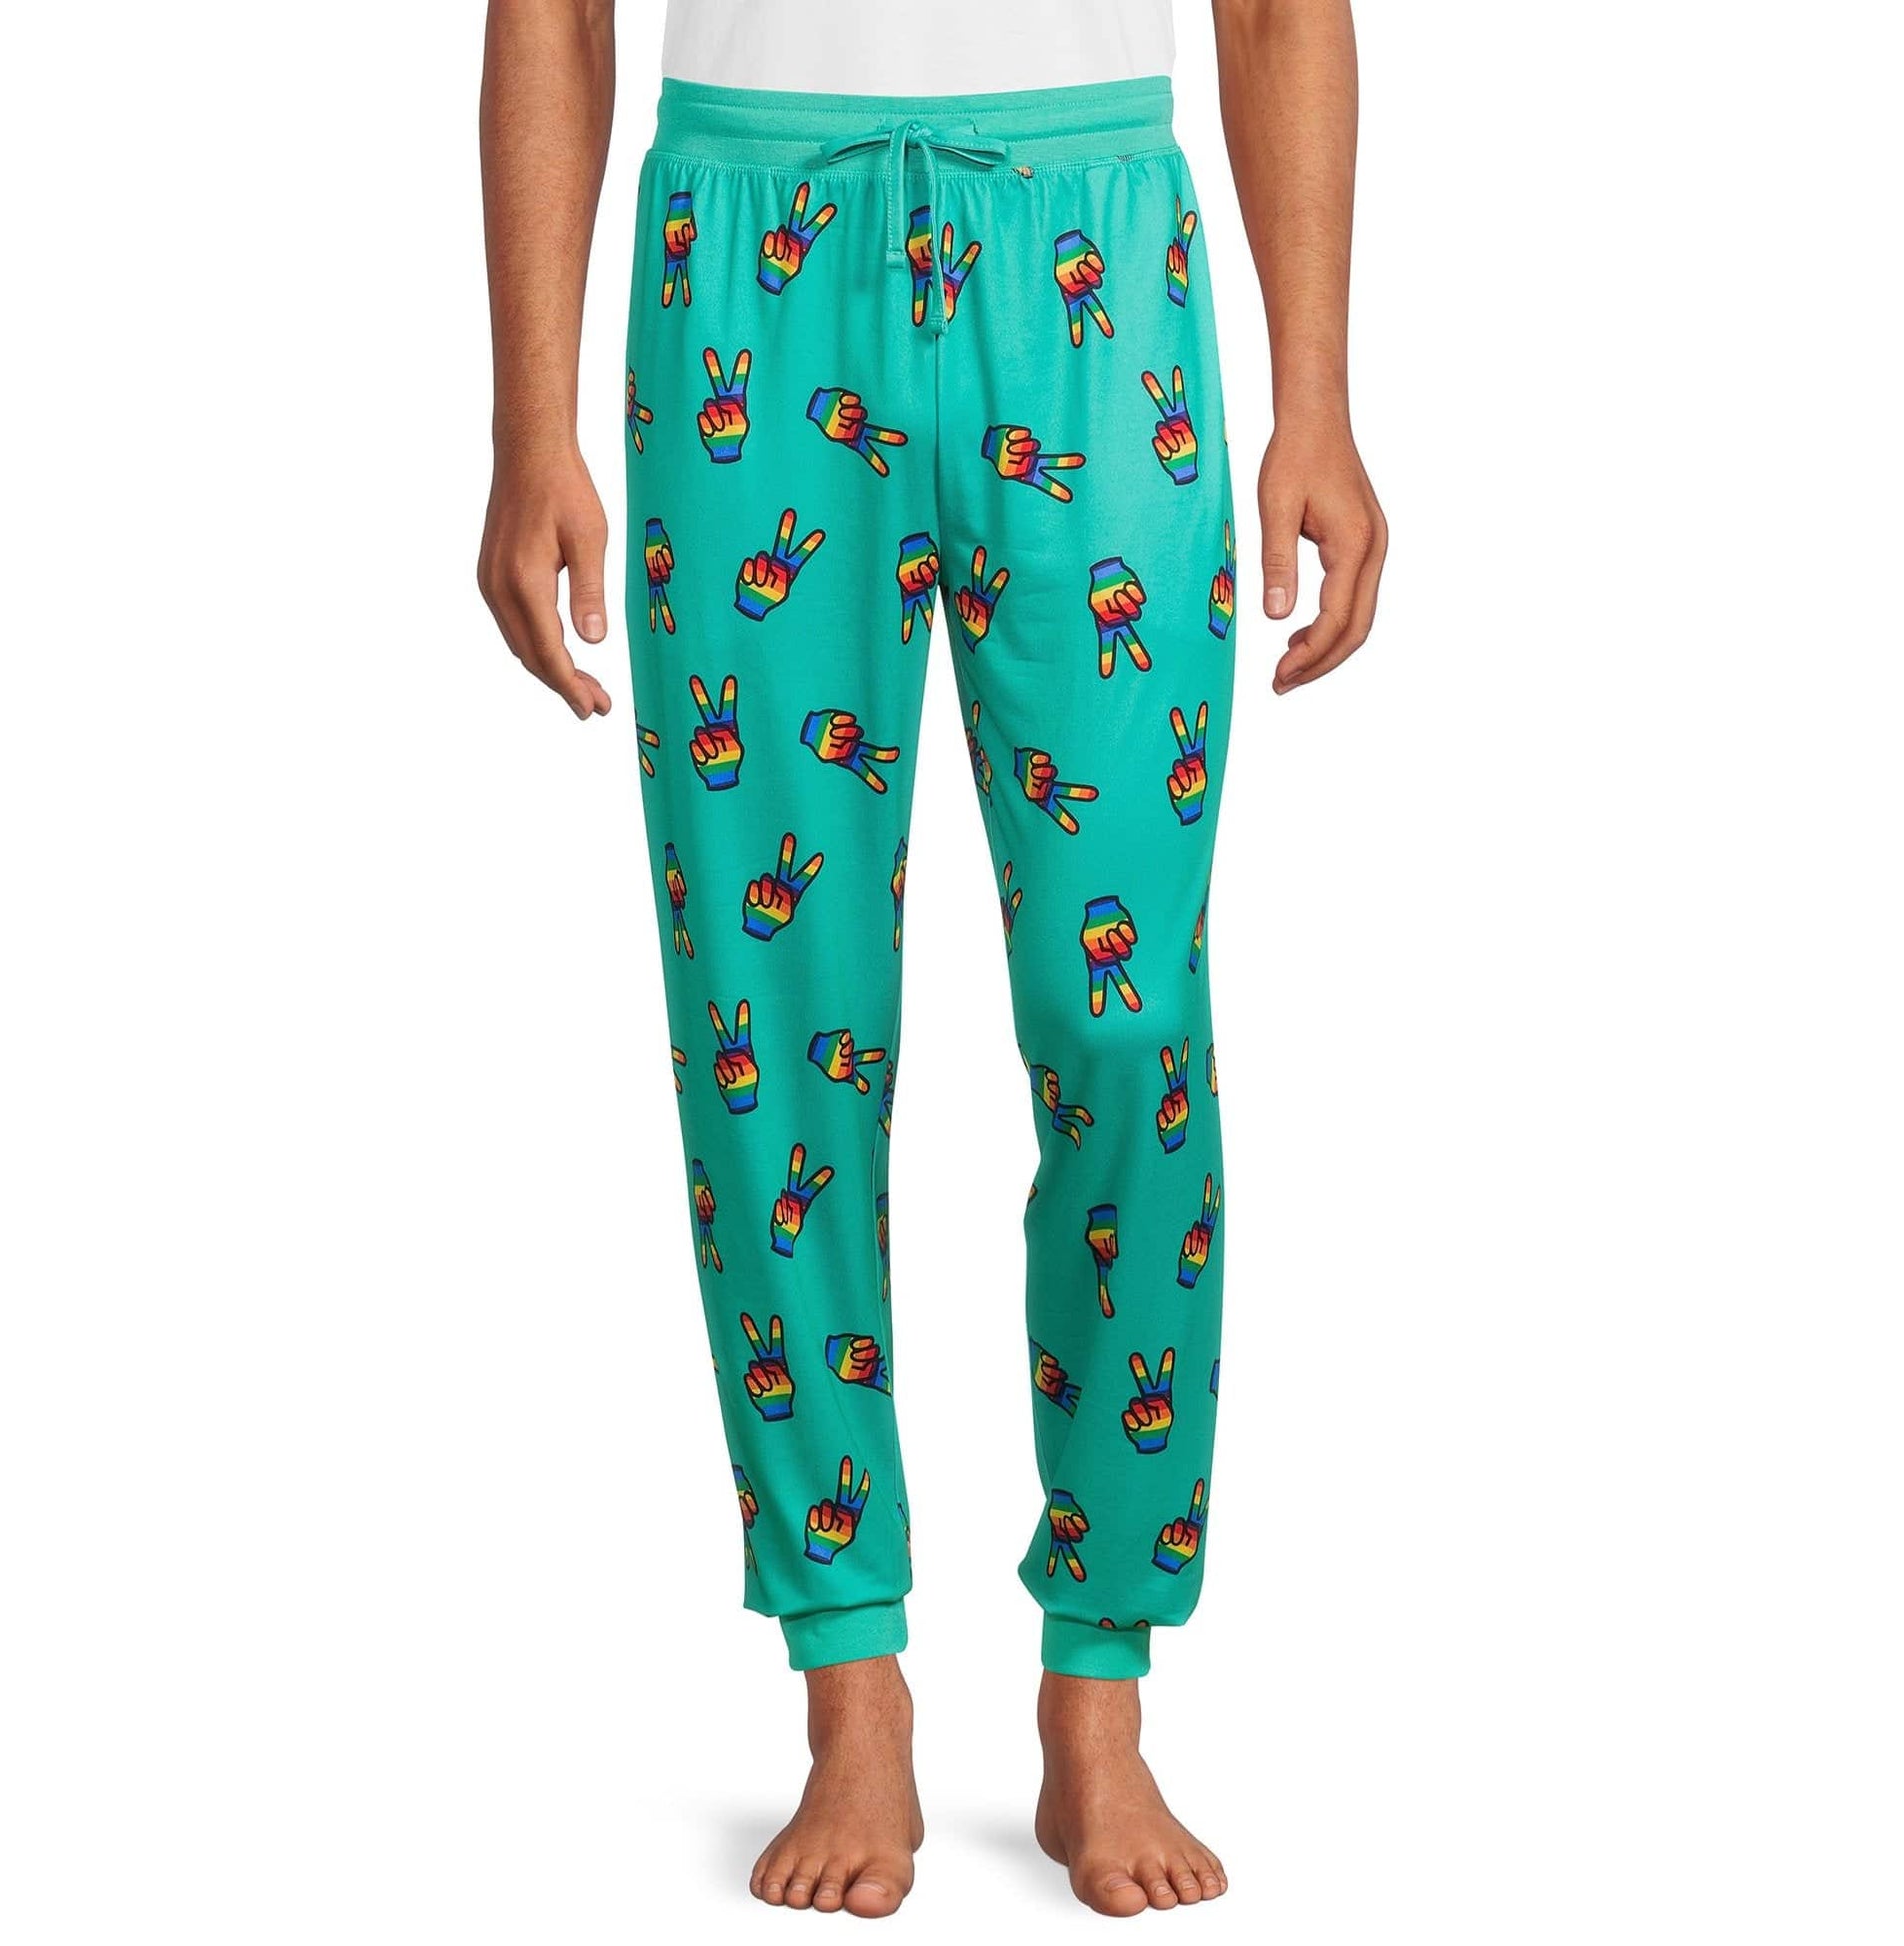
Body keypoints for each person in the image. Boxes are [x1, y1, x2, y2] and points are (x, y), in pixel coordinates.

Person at [476, 0, 1386, 1918]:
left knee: (1127, 1024)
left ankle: (1099, 1681)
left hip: (1090, 254)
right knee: (768, 1016)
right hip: (745, 251)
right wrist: (523, 419)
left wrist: (1314, 389)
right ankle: (849, 1675)